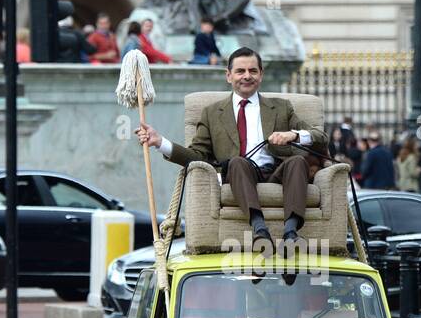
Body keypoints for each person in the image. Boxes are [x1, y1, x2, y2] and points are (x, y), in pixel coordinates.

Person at [135, 47, 328, 249]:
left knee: (297, 161)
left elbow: (321, 138)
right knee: (237, 162)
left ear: (261, 75)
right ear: (229, 76)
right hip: (239, 173)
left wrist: (294, 135)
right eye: (240, 71)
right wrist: (160, 142)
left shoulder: (281, 107)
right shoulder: (211, 113)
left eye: (253, 71)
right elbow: (198, 156)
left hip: (277, 172)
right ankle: (259, 229)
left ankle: (291, 231)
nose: (247, 76)